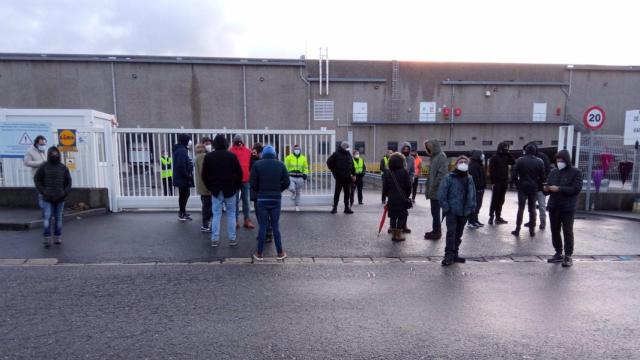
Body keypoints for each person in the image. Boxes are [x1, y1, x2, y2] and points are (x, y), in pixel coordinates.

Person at [201, 134, 243, 247]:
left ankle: (215, 239)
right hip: (230, 189)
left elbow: (204, 175)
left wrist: (210, 186)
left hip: (215, 190)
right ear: (226, 143)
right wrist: (236, 186)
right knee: (231, 213)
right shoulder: (231, 156)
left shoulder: (209, 157)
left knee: (216, 214)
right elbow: (239, 173)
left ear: (214, 144)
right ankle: (232, 239)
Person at [250, 145, 290, 261]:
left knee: (262, 226)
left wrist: (260, 191)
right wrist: (278, 190)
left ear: (263, 154)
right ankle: (280, 253)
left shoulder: (257, 165)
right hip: (276, 199)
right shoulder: (280, 165)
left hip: (262, 199)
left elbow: (252, 183)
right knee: (275, 226)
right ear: (274, 153)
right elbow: (287, 182)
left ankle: (259, 253)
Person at [544, 150, 583, 267]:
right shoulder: (553, 172)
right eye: (557, 160)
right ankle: (558, 252)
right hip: (553, 206)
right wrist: (546, 189)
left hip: (568, 207)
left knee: (567, 231)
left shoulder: (576, 172)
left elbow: (576, 189)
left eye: (561, 160)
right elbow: (548, 187)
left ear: (567, 160)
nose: (559, 162)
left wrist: (560, 189)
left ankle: (568, 256)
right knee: (554, 231)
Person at [438, 156, 476, 266]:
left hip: (464, 212)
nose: (463, 163)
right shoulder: (449, 177)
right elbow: (441, 195)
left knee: (458, 234)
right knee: (451, 233)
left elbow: (473, 195)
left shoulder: (470, 178)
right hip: (452, 211)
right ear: (456, 164)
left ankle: (455, 254)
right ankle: (448, 255)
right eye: (461, 162)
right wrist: (447, 208)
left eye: (465, 162)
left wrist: (472, 208)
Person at [33, 147, 72, 248]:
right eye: (52, 153)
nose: (54, 155)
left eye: (56, 153)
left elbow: (68, 181)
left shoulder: (63, 168)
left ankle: (57, 237)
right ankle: (46, 238)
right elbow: (37, 179)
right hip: (47, 197)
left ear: (58, 154)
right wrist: (43, 191)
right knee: (47, 217)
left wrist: (64, 192)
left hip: (60, 197)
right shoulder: (44, 167)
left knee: (58, 218)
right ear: (49, 154)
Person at [511, 144, 545, 237]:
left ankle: (517, 229)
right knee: (532, 208)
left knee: (520, 208)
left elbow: (514, 175)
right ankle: (532, 230)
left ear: (525, 151)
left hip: (522, 186)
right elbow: (542, 177)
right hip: (534, 187)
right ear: (534, 151)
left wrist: (518, 184)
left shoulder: (520, 160)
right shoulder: (540, 161)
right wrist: (537, 184)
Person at [382, 152, 412, 242]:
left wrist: (388, 195)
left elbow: (385, 187)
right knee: (401, 216)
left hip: (391, 198)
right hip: (402, 199)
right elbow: (408, 186)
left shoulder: (388, 172)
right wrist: (406, 195)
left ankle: (394, 234)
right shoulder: (404, 172)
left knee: (393, 216)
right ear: (401, 161)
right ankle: (398, 235)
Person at [523, 142, 552, 230]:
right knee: (535, 206)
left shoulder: (541, 158)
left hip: (538, 187)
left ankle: (541, 222)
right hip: (535, 186)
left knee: (539, 205)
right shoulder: (541, 157)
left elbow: (547, 172)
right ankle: (534, 221)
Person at [423, 139, 448, 240]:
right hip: (433, 189)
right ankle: (435, 230)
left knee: (436, 212)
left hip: (437, 189)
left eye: (430, 147)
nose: (429, 149)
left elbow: (442, 174)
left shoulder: (441, 156)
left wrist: (433, 185)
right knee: (434, 212)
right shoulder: (434, 157)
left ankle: (437, 232)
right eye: (427, 147)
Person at [230, 134, 255, 229]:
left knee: (246, 201)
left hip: (246, 179)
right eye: (237, 141)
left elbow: (252, 165)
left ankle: (247, 220)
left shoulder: (248, 151)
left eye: (240, 141)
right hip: (234, 180)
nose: (239, 142)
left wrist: (250, 174)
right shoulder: (231, 151)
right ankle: (235, 220)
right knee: (234, 201)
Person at [250, 143, 273, 242]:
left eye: (254, 151)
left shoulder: (261, 162)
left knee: (262, 215)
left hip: (260, 193)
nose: (253, 153)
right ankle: (265, 233)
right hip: (260, 193)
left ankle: (267, 234)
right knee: (261, 215)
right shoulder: (254, 161)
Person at [488, 142, 515, 225]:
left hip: (504, 182)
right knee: (495, 200)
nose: (506, 149)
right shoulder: (494, 157)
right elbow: (491, 170)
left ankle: (498, 216)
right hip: (497, 182)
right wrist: (493, 181)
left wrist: (508, 153)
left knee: (501, 200)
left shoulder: (506, 157)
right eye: (505, 148)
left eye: (507, 148)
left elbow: (513, 161)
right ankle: (491, 216)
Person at [327, 141, 356, 214]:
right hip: (339, 178)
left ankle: (346, 208)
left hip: (347, 178)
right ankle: (335, 208)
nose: (348, 148)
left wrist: (354, 174)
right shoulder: (336, 154)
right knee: (337, 193)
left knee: (347, 193)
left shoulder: (349, 155)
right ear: (343, 147)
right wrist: (334, 171)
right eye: (347, 147)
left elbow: (352, 165)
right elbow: (329, 162)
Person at [172, 134, 194, 222]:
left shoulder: (181, 149)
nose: (190, 141)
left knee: (184, 195)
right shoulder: (182, 150)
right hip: (183, 178)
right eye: (189, 139)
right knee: (184, 195)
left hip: (181, 177)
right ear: (185, 140)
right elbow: (181, 165)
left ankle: (182, 212)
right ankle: (182, 213)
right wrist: (187, 175)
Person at [24, 135, 48, 208]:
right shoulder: (30, 151)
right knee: (41, 194)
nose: (43, 145)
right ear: (36, 143)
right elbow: (26, 162)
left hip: (48, 176)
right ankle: (44, 212)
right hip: (38, 177)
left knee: (48, 194)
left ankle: (48, 211)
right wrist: (40, 163)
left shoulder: (46, 150)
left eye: (44, 144)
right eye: (41, 144)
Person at [284, 144, 309, 212]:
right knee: (291, 187)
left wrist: (305, 174)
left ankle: (297, 206)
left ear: (300, 149)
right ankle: (293, 192)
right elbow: (285, 167)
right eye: (296, 149)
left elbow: (306, 167)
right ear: (293, 150)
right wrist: (286, 175)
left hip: (300, 177)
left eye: (298, 149)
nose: (297, 150)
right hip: (291, 177)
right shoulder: (288, 157)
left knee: (298, 193)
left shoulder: (303, 158)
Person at [194, 143, 212, 232]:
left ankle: (206, 223)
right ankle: (206, 224)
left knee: (206, 204)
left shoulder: (198, 156)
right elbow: (203, 171)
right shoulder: (202, 157)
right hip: (205, 185)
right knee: (207, 206)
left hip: (202, 185)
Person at [467, 150, 487, 228]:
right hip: (476, 189)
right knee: (474, 206)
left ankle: (475, 220)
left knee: (478, 206)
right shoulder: (473, 165)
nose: (483, 156)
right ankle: (471, 221)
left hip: (480, 189)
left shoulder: (479, 164)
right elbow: (475, 178)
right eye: (481, 154)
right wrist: (479, 187)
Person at [399, 143, 415, 233]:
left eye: (407, 149)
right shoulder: (398, 157)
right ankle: (393, 225)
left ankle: (404, 225)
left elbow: (412, 171)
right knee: (395, 206)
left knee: (405, 206)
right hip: (398, 184)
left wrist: (411, 179)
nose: (406, 150)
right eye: (404, 149)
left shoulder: (412, 159)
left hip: (407, 185)